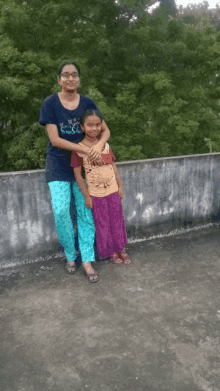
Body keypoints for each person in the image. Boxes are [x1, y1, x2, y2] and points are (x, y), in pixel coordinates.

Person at [39, 60, 111, 282]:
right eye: (66, 74)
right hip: (58, 165)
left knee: (85, 211)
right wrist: (81, 148)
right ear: (59, 79)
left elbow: (105, 130)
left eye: (75, 74)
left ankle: (87, 260)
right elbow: (55, 139)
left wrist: (97, 146)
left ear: (79, 78)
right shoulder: (50, 103)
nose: (70, 78)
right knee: (61, 212)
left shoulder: (88, 102)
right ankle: (70, 254)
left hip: (85, 168)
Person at [70, 109, 131, 264]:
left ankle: (120, 249)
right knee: (103, 223)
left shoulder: (105, 145)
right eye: (90, 125)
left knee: (117, 220)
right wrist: (86, 196)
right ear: (82, 127)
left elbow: (113, 167)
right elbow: (78, 176)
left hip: (112, 191)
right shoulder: (79, 150)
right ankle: (110, 252)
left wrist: (120, 186)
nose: (94, 128)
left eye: (97, 125)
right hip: (96, 194)